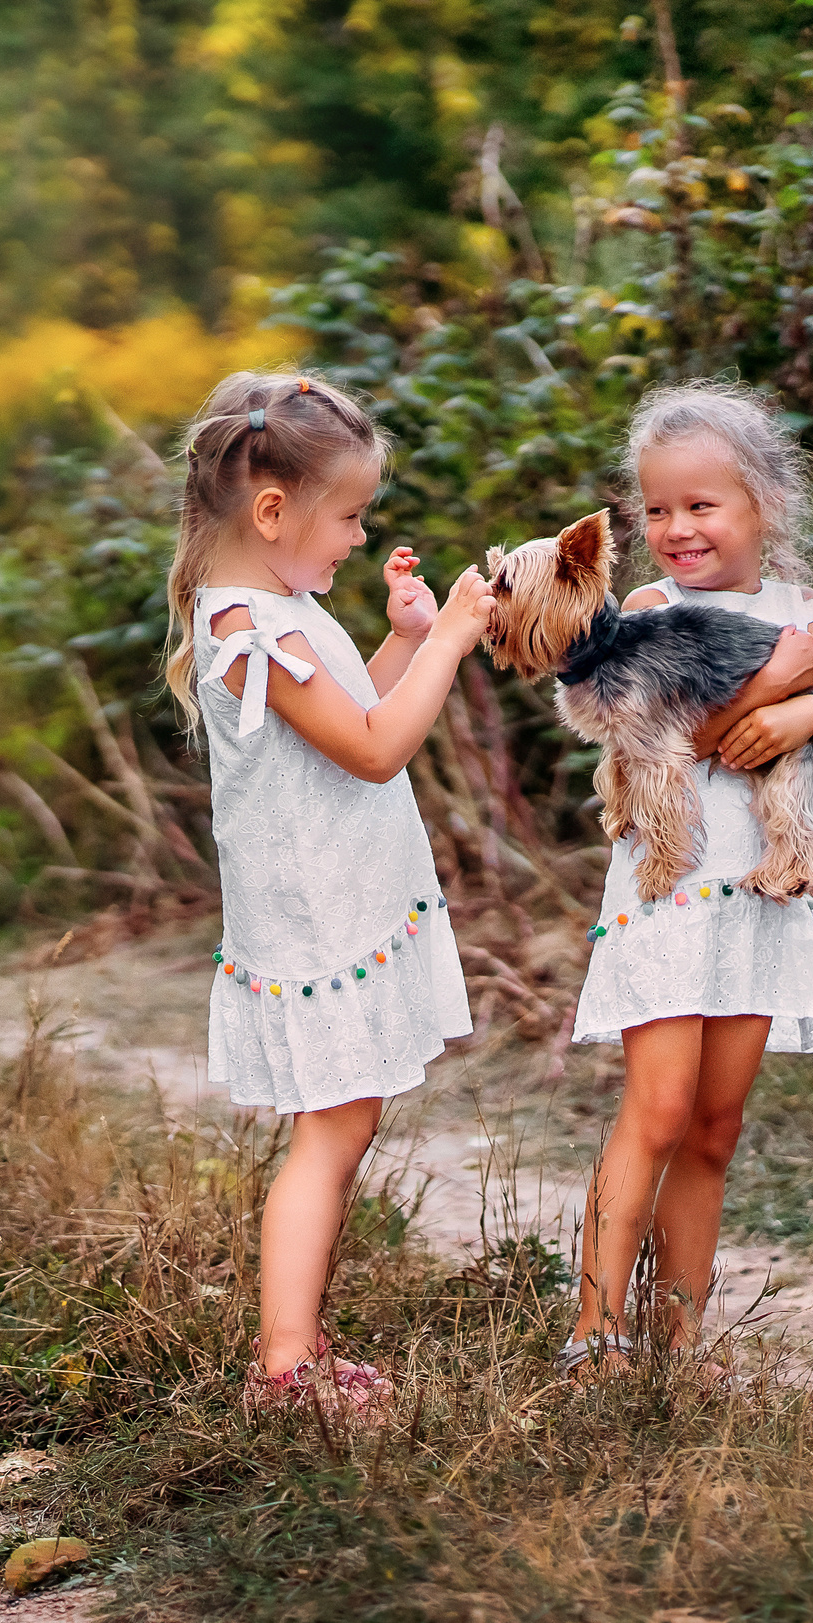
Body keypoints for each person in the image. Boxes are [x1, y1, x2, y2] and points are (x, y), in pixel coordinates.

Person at [163, 370, 496, 1415]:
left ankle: (296, 1343)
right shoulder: (255, 628)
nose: (358, 540)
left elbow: (360, 713)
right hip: (316, 913)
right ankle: (285, 1365)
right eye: (349, 516)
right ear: (272, 512)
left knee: (343, 1127)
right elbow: (375, 749)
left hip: (338, 897)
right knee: (330, 1134)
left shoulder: (281, 612)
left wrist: (403, 635)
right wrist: (450, 641)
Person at [561, 377, 813, 1377]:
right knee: (656, 1114)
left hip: (757, 899)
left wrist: (802, 713)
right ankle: (594, 1331)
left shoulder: (804, 614)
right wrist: (772, 686)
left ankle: (681, 1340)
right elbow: (684, 736)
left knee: (713, 1125)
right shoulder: (652, 610)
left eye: (700, 505)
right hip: (668, 895)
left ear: (765, 505)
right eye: (656, 509)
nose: (675, 528)